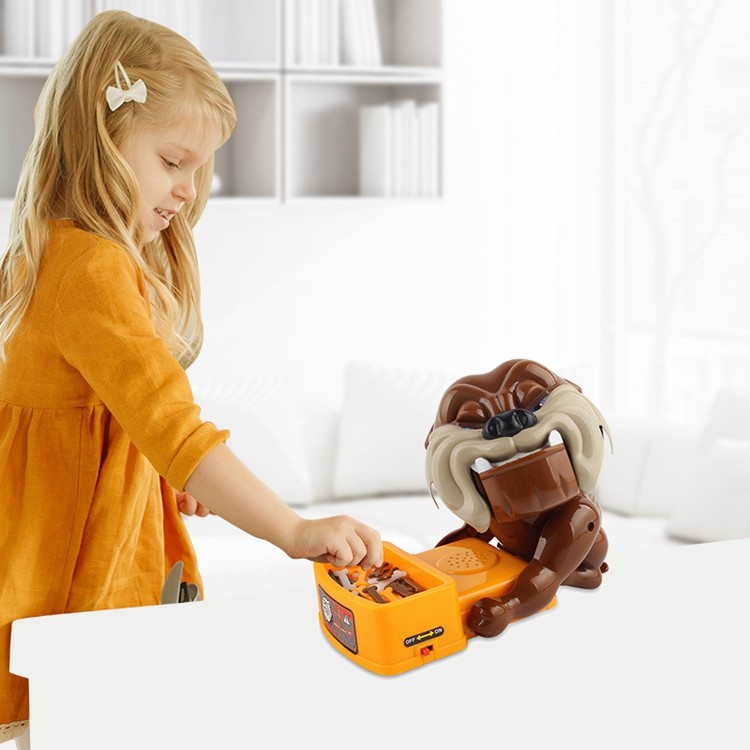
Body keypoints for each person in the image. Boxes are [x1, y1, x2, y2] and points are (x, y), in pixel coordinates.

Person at [0, 11, 382, 747]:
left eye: (198, 169)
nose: (186, 190)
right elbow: (175, 429)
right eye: (173, 161)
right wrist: (294, 531)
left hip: (39, 557)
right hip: (78, 577)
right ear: (100, 135)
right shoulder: (93, 269)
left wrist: (140, 467)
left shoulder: (43, 250)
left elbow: (87, 417)